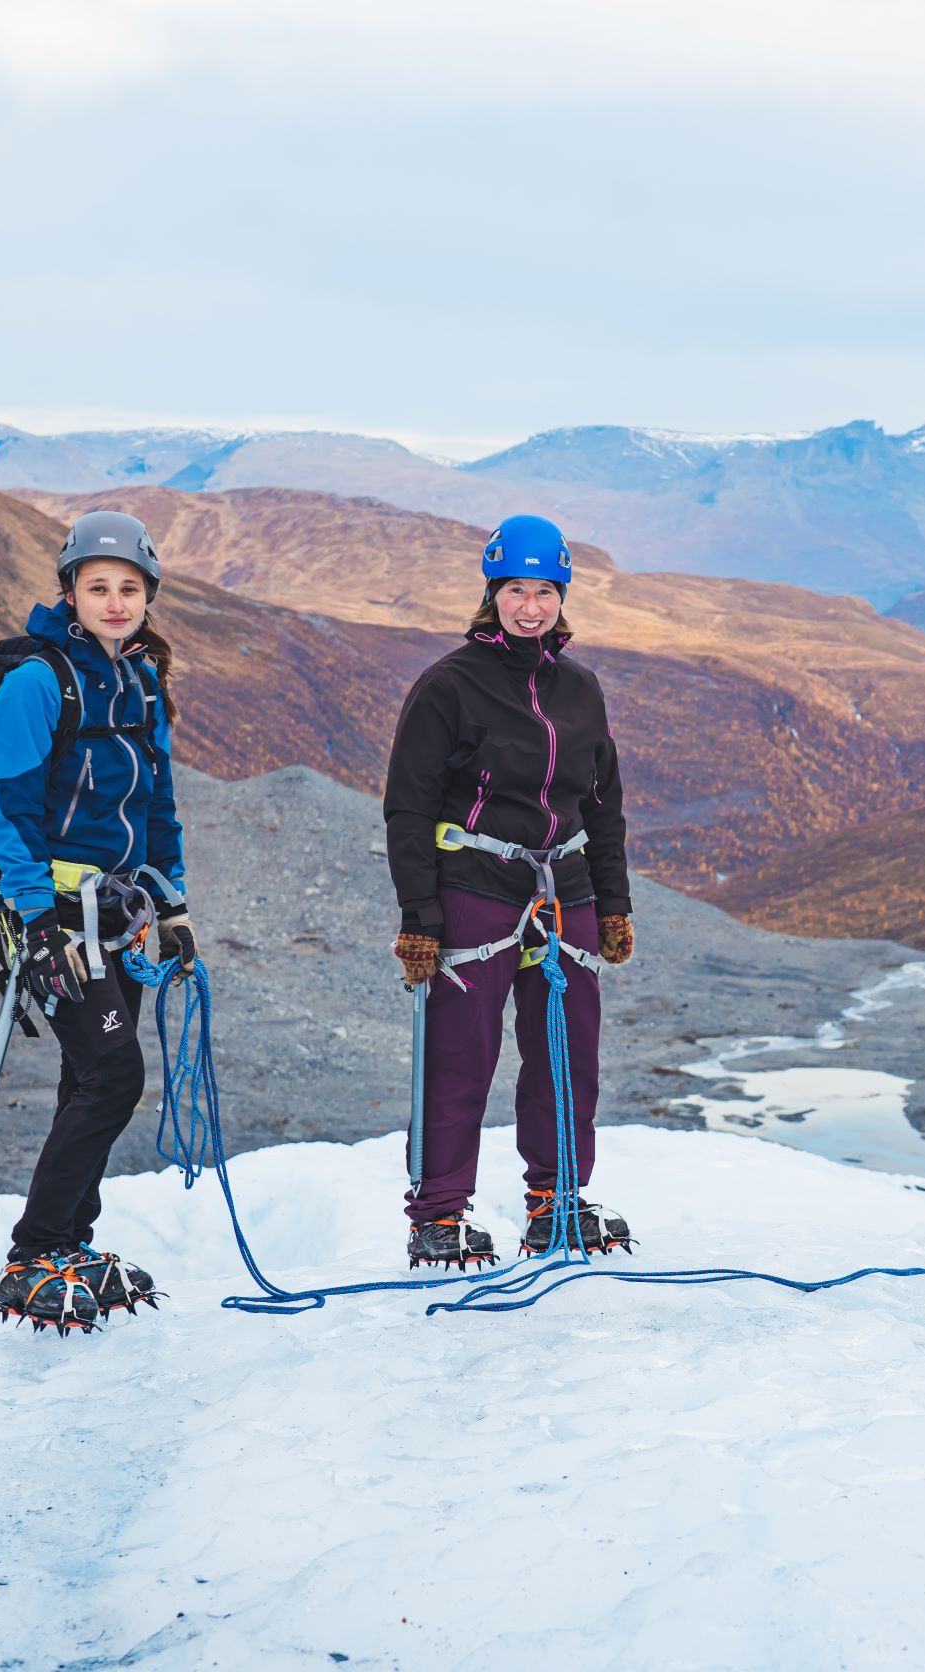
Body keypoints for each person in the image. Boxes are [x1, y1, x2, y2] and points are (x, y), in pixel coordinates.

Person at [382, 515, 636, 1269]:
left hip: (568, 888)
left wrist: (614, 904)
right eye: (516, 591)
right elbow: (409, 806)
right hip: (475, 885)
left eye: (545, 591)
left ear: (562, 596)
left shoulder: (581, 690)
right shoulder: (448, 686)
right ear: (492, 595)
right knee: (462, 1054)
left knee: (566, 1053)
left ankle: (554, 1202)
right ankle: (438, 1213)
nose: (531, 606)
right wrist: (419, 917)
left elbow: (603, 803)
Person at [0, 510, 195, 1332]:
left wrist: (172, 906)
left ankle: (70, 1244)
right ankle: (33, 1253)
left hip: (122, 915)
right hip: (56, 920)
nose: (113, 601)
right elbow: (10, 807)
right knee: (114, 1076)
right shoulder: (37, 681)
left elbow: (160, 805)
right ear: (68, 591)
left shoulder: (139, 684)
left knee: (87, 1079)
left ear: (148, 599)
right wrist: (35, 921)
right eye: (97, 586)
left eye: (128, 589)